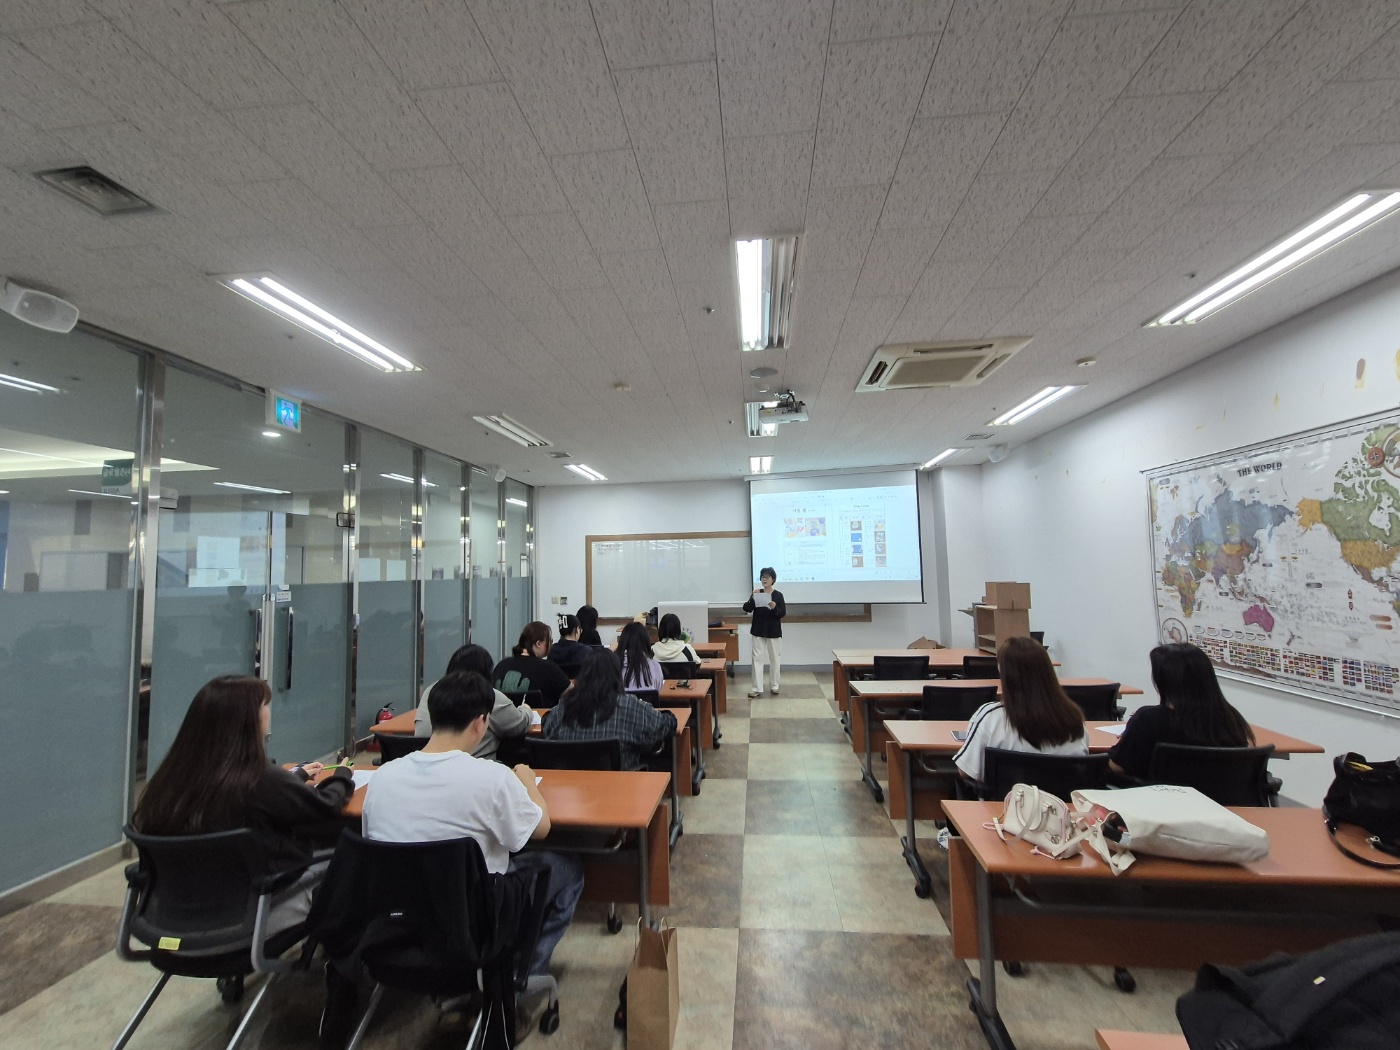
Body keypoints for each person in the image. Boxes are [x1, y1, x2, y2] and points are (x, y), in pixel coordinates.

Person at [363, 672, 584, 981]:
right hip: (475, 921)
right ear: (481, 722)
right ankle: (521, 975)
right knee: (569, 867)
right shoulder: (492, 777)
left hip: (396, 919)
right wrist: (527, 781)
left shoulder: (382, 779)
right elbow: (540, 828)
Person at [131, 675, 351, 934]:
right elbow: (325, 807)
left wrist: (295, 778)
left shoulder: (169, 778)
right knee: (349, 849)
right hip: (247, 917)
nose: (268, 712)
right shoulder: (260, 779)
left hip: (166, 922)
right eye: (265, 705)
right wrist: (342, 777)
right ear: (250, 720)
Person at [1109, 642, 1255, 781]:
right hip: (1219, 797)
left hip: (1159, 797)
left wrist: (1130, 737)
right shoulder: (1230, 718)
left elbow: (1117, 767)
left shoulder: (1148, 719)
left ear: (1164, 681)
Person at [953, 636, 1088, 785]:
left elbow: (965, 770)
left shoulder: (991, 718)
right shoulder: (1075, 721)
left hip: (1006, 800)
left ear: (1004, 674)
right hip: (1061, 800)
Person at [543, 649, 677, 770]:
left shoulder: (566, 705)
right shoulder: (629, 705)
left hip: (571, 785)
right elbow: (666, 725)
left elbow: (546, 725)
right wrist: (667, 715)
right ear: (617, 675)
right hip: (620, 785)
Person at [415, 643, 532, 759]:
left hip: (426, 763)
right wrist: (526, 709)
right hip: (476, 763)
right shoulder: (485, 694)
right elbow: (518, 725)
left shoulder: (431, 690)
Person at [492, 622, 571, 707]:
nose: (551, 646)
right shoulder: (548, 668)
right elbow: (572, 693)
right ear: (538, 644)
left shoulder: (501, 666)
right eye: (550, 641)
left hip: (501, 715)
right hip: (539, 715)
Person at [743, 567, 785, 698]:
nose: (764, 579)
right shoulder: (757, 593)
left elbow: (782, 613)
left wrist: (774, 608)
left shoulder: (778, 595)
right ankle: (756, 688)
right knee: (757, 659)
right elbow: (746, 608)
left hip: (773, 631)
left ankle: (774, 685)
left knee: (775, 658)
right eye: (762, 577)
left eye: (767, 577)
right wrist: (752, 597)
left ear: (773, 579)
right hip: (758, 630)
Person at [616, 620, 663, 693]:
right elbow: (658, 693)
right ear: (646, 642)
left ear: (622, 642)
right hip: (646, 701)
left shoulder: (612, 667)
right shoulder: (655, 666)